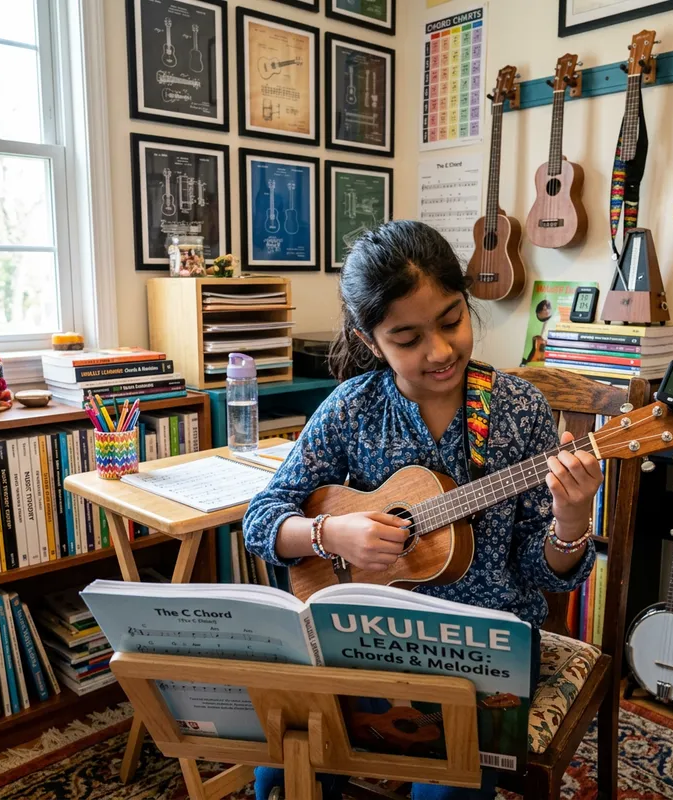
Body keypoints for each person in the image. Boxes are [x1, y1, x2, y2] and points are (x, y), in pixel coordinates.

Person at [243, 220, 603, 800]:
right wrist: (331, 533)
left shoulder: (516, 410)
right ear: (370, 341)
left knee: (448, 787)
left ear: (467, 303)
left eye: (451, 321)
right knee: (283, 767)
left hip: (483, 649)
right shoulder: (354, 408)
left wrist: (571, 520)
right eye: (408, 339)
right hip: (365, 638)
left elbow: (541, 575)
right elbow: (261, 519)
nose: (439, 351)